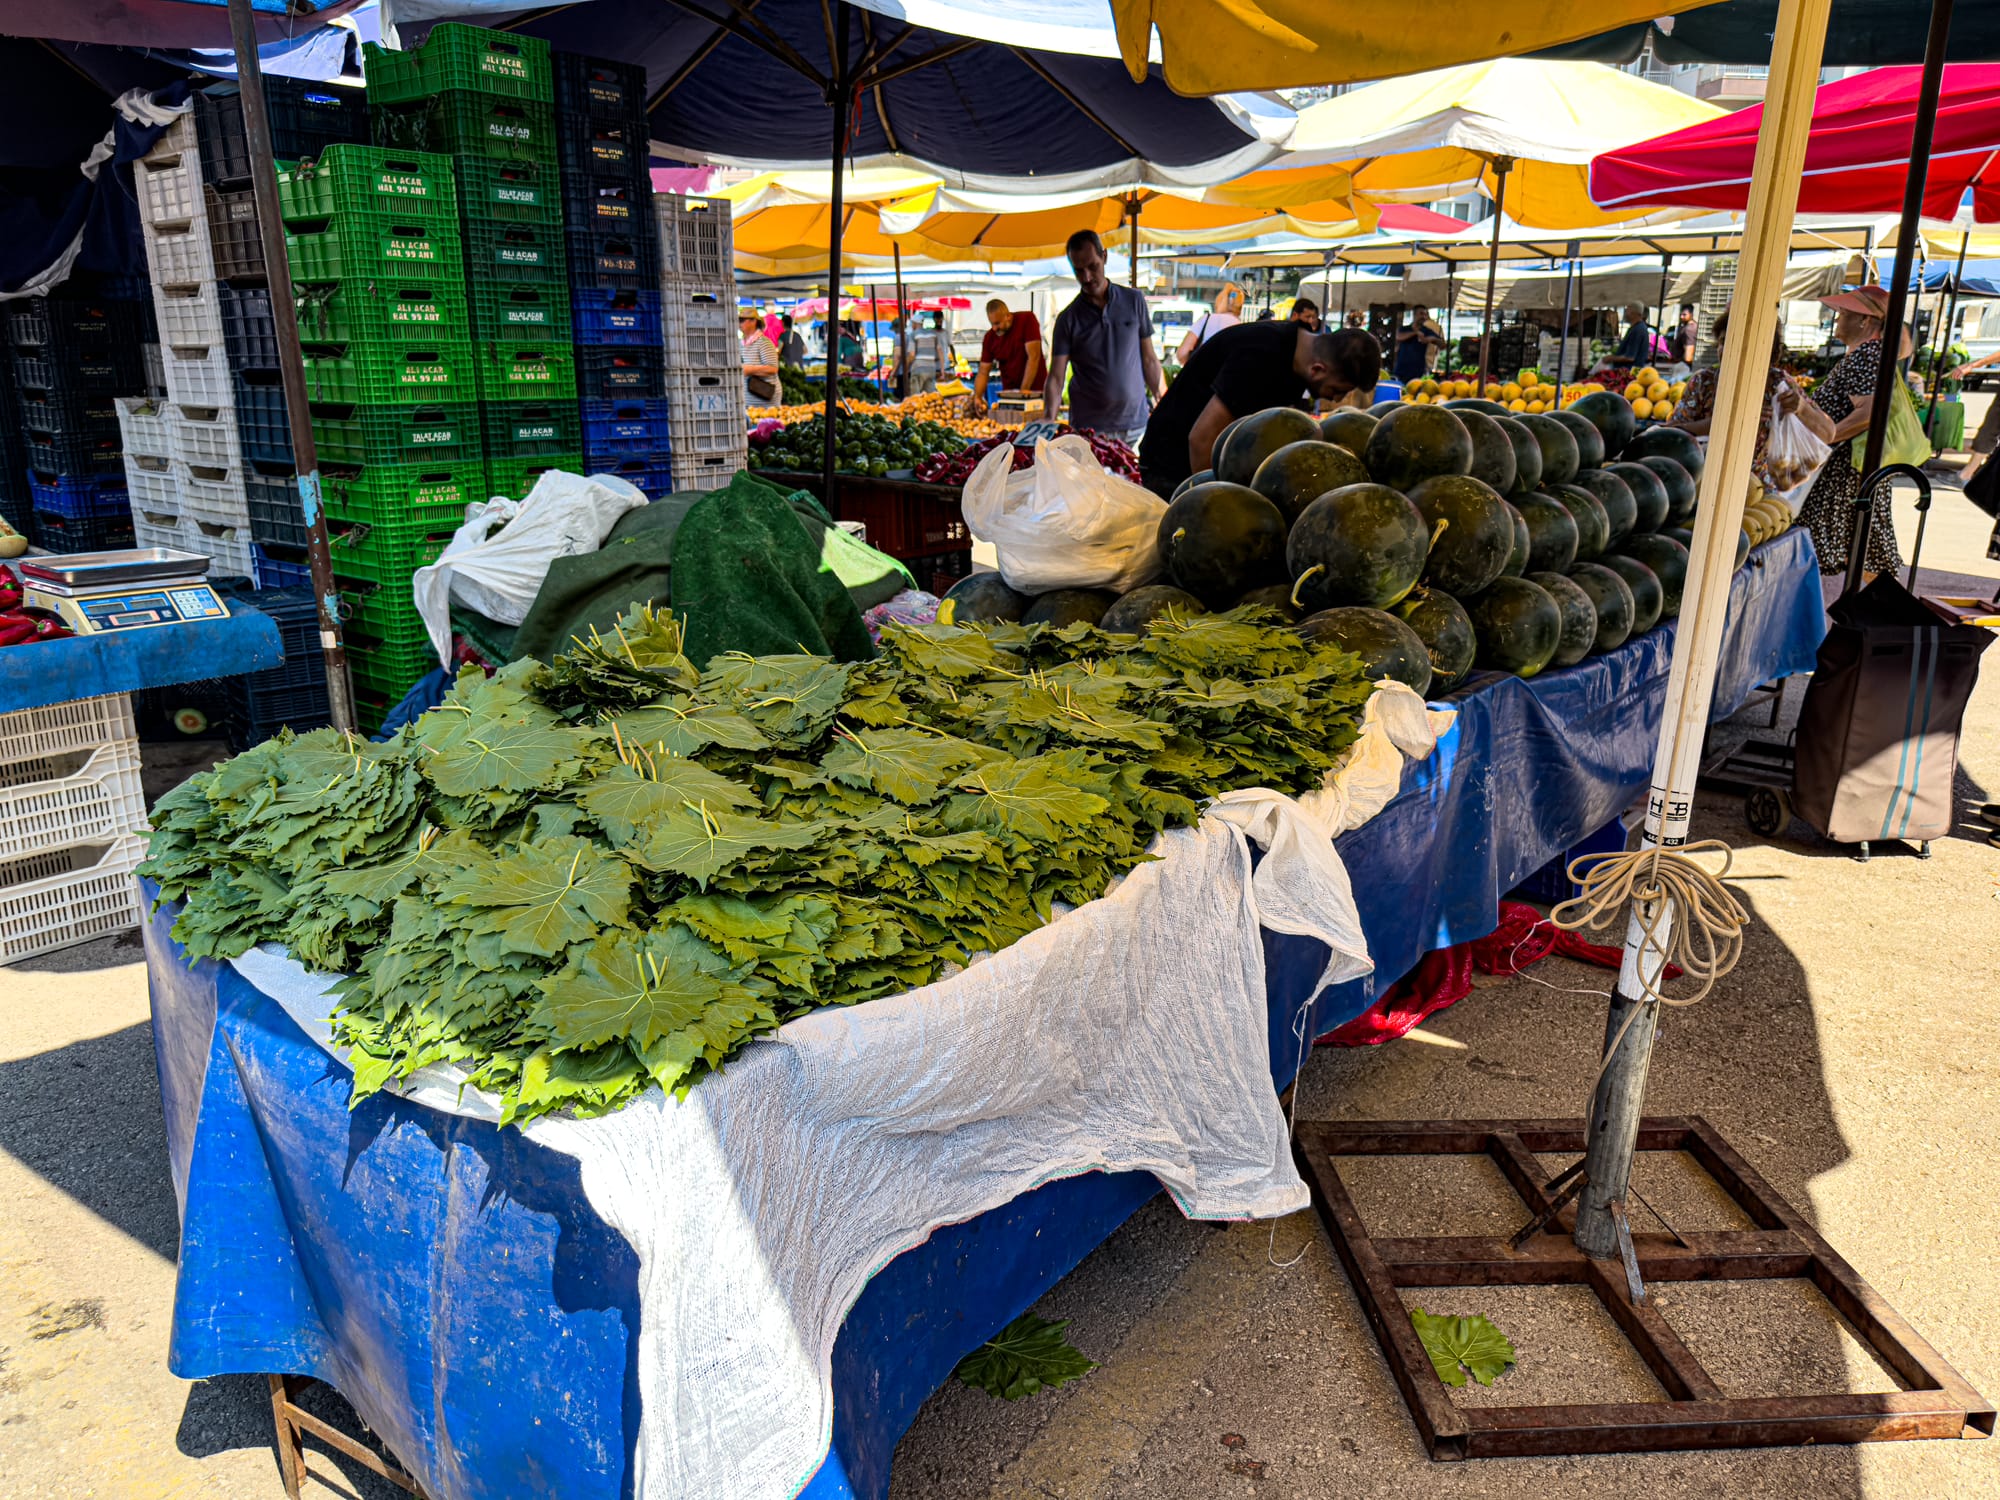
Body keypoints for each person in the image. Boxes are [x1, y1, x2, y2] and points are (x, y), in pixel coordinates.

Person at [1139, 321, 1381, 498]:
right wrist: (1220, 505)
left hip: (1202, 460)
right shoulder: (1261, 357)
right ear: (1317, 370)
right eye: (1339, 390)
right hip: (1172, 466)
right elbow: (1202, 439)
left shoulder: (1296, 357)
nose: (1337, 399)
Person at [1798, 286, 1906, 578]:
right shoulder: (1866, 354)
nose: (1836, 319)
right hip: (1850, 468)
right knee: (1858, 549)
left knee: (1854, 551)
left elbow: (1868, 412)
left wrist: (1828, 436)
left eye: (1843, 313)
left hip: (1846, 471)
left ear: (1864, 320)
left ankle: (1867, 617)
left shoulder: (1868, 355)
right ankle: (1865, 615)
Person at [1668, 309, 1830, 490]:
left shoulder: (1778, 384)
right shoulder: (1704, 382)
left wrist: (1801, 408)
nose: (1729, 349)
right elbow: (1671, 433)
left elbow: (1828, 433)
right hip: (1703, 486)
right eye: (1723, 341)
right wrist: (1725, 422)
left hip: (1758, 493)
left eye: (1740, 342)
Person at [1045, 229, 1166, 446]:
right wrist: (1048, 418)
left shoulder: (1134, 300)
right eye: (1079, 271)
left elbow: (1149, 359)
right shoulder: (1067, 319)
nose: (1087, 277)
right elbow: (1056, 377)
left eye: (1093, 267)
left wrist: (1163, 400)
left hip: (1136, 427)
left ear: (1105, 256)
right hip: (1090, 431)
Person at [1175, 283, 1243, 364]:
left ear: (1219, 301)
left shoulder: (1206, 319)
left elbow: (1182, 353)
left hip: (1203, 371)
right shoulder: (1242, 327)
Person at [900, 311, 953, 393]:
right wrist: (942, 370)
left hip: (918, 369)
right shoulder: (932, 334)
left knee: (915, 397)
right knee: (929, 397)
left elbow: (912, 355)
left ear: (914, 323)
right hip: (931, 369)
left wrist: (905, 368)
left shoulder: (914, 335)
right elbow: (941, 353)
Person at [1392, 304, 1443, 385]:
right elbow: (1399, 337)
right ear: (1414, 315)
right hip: (1401, 369)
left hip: (1418, 371)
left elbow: (1442, 345)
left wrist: (1431, 339)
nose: (1424, 317)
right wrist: (1415, 333)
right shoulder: (1405, 329)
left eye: (1425, 314)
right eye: (1421, 314)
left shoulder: (1426, 331)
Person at [739, 306, 780, 403]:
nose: (738, 323)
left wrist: (750, 369)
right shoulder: (741, 343)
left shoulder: (764, 342)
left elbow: (773, 368)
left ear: (753, 321)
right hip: (749, 399)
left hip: (764, 399)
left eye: (741, 320)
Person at [1613, 302, 1657, 367]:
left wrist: (1610, 358)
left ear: (1634, 313)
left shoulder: (1638, 330)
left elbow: (1630, 357)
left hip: (1630, 371)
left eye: (1627, 311)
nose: (1625, 314)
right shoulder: (1636, 327)